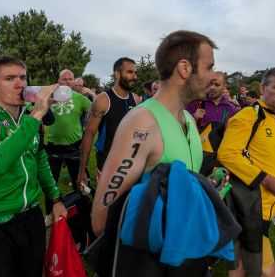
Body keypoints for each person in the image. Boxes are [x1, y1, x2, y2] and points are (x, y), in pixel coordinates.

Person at [91, 30, 220, 276]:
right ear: (184, 68)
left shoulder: (190, 120)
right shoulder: (143, 122)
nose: (213, 76)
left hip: (184, 258)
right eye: (209, 67)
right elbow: (102, 220)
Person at [0, 56, 67, 277]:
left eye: (23, 77)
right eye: (10, 78)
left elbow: (40, 160)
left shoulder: (29, 119)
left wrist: (55, 199)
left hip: (31, 218)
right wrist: (37, 113)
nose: (20, 84)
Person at [218, 67, 275, 277]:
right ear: (262, 88)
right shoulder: (249, 116)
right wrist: (265, 180)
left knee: (240, 267)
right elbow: (227, 154)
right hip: (248, 208)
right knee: (267, 270)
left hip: (266, 210)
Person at [77, 58, 139, 186]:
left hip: (130, 165)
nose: (135, 76)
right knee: (107, 205)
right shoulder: (103, 100)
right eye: (130, 72)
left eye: (135, 73)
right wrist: (82, 170)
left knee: (128, 204)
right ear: (117, 74)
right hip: (107, 165)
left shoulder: (136, 99)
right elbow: (89, 135)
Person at [44, 69, 91, 209]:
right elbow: (32, 108)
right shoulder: (49, 96)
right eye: (64, 79)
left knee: (78, 180)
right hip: (53, 147)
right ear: (58, 81)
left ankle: (80, 209)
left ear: (73, 82)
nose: (67, 81)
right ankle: (49, 212)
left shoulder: (80, 98)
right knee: (50, 182)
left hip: (74, 146)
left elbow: (95, 110)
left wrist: (91, 94)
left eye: (70, 79)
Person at [186, 71, 239, 174]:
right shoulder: (195, 103)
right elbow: (180, 127)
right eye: (210, 84)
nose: (212, 87)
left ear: (224, 86)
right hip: (195, 157)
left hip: (219, 162)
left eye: (217, 84)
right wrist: (193, 118)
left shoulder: (232, 109)